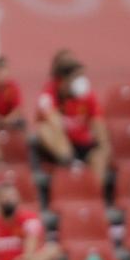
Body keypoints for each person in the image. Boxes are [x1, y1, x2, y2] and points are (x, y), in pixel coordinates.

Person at [35, 52, 112, 189]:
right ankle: (72, 164)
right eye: (76, 77)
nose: (80, 81)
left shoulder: (87, 95)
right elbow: (53, 123)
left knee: (100, 155)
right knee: (44, 130)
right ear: (63, 81)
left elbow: (98, 124)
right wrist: (69, 155)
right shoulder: (48, 94)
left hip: (83, 145)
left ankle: (95, 197)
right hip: (62, 150)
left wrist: (104, 147)